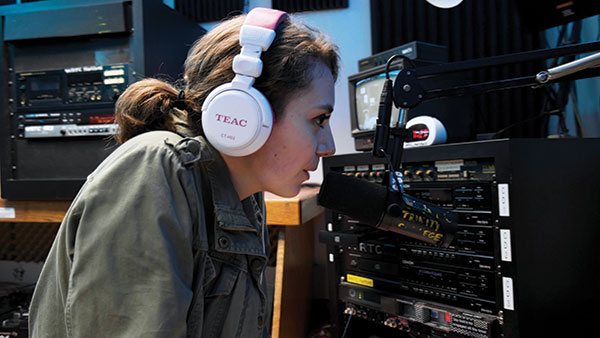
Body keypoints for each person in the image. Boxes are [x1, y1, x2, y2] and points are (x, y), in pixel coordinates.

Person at [28, 7, 339, 338]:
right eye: (319, 119)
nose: (328, 146)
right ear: (244, 111)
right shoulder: (153, 169)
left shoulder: (244, 194)